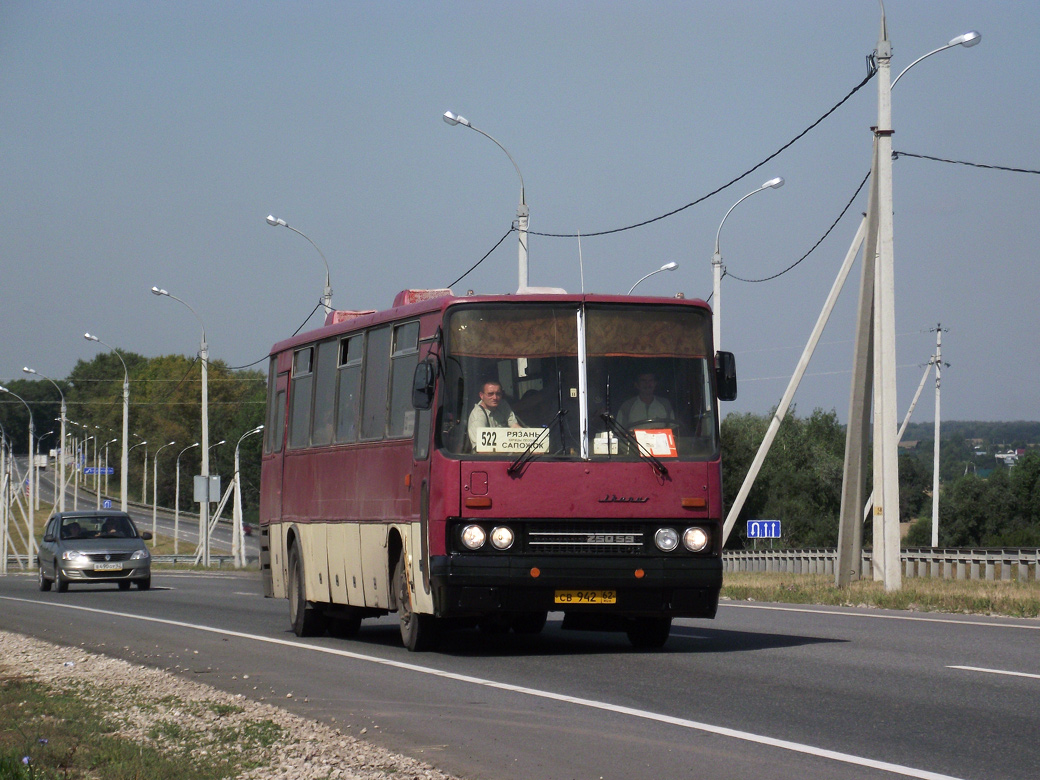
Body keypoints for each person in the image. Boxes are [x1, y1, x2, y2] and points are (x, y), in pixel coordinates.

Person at [468, 380, 521, 447]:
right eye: (490, 394)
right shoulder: (477, 417)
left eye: (498, 394)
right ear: (481, 395)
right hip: (489, 455)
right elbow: (480, 449)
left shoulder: (502, 404)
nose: (495, 398)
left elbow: (515, 427)